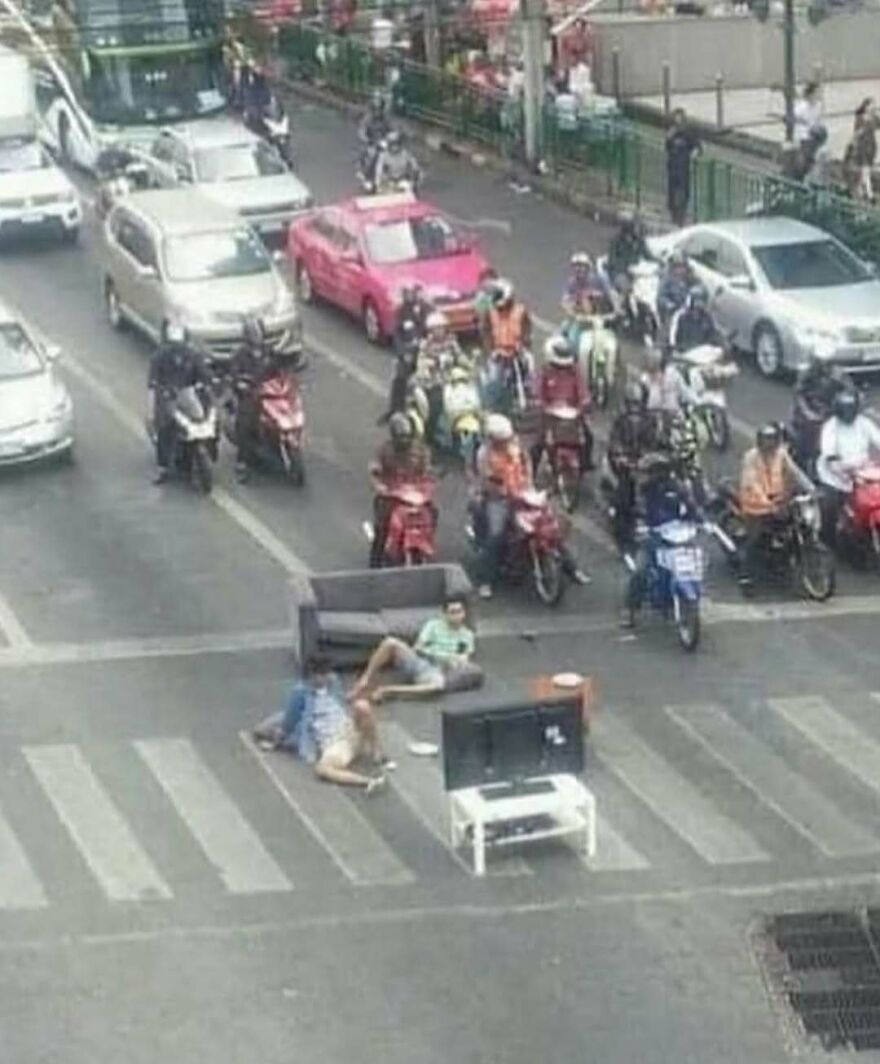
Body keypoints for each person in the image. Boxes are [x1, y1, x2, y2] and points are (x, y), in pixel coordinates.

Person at [471, 414, 588, 597]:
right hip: (499, 499)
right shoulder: (484, 454)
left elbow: (528, 468)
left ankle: (572, 569)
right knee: (496, 535)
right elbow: (486, 480)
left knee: (549, 528)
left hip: (524, 494)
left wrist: (530, 487)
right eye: (500, 440)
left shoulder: (517, 448)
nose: (504, 443)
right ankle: (486, 581)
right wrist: (501, 491)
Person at [255, 656, 389, 793]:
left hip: (349, 729)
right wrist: (275, 744)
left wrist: (358, 693)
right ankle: (367, 781)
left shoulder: (333, 682)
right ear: (312, 676)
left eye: (327, 673)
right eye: (322, 674)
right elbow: (288, 725)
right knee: (322, 769)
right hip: (334, 743)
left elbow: (343, 701)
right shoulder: (301, 694)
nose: (327, 677)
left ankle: (378, 751)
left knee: (362, 706)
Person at [621, 453, 702, 627]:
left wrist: (700, 519)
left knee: (694, 561)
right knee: (640, 571)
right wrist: (641, 526)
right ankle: (630, 610)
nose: (643, 477)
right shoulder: (642, 491)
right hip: (653, 536)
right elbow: (637, 509)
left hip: (677, 535)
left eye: (647, 473)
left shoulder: (677, 487)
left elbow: (691, 505)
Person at [351, 597, 478, 702]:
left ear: (464, 613)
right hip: (419, 661)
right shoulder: (434, 625)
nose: (457, 616)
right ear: (444, 614)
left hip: (437, 670)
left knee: (437, 686)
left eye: (460, 611)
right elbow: (418, 647)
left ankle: (388, 690)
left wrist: (450, 660)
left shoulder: (466, 635)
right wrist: (442, 656)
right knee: (390, 642)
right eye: (453, 612)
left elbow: (462, 658)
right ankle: (365, 679)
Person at [737, 422, 814, 591]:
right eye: (766, 440)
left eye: (772, 440)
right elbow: (751, 483)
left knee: (796, 525)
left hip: (778, 500)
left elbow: (795, 472)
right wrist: (766, 502)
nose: (769, 444)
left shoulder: (781, 454)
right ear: (759, 441)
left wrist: (811, 489)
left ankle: (783, 559)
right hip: (756, 505)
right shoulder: (751, 457)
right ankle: (746, 577)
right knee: (754, 540)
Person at [147, 322, 212, 484]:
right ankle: (163, 467)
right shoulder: (159, 357)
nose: (177, 348)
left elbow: (204, 375)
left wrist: (207, 384)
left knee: (207, 419)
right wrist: (159, 393)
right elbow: (153, 382)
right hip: (168, 398)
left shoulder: (193, 356)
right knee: (164, 428)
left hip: (188, 395)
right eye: (174, 344)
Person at [816, 389, 880, 544]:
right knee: (830, 506)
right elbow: (830, 457)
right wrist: (842, 471)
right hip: (835, 476)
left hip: (864, 472)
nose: (849, 414)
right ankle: (828, 538)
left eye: (851, 410)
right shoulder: (830, 428)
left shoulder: (864, 423)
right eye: (845, 411)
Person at [368, 413, 432, 567]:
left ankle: (426, 540)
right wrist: (380, 486)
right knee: (382, 527)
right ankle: (375, 563)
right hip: (392, 496)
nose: (404, 440)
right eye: (401, 437)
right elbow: (375, 470)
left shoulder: (421, 450)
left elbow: (427, 471)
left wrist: (430, 482)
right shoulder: (385, 450)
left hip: (415, 495)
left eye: (407, 437)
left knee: (433, 512)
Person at [605, 381, 660, 547]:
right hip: (625, 465)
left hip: (645, 464)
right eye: (632, 404)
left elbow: (656, 441)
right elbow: (614, 441)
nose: (635, 408)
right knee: (624, 499)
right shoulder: (620, 420)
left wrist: (653, 456)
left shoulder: (651, 420)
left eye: (637, 403)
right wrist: (620, 456)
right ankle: (621, 535)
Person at [532, 334, 594, 474]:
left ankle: (585, 465)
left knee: (588, 437)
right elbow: (538, 393)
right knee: (537, 444)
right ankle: (532, 473)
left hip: (573, 415)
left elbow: (583, 391)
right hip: (550, 416)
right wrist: (544, 406)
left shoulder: (575, 371)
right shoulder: (545, 371)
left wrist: (583, 405)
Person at [229, 315, 276, 482]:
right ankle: (242, 462)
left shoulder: (269, 351)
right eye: (253, 334)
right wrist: (242, 385)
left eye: (259, 333)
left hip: (269, 393)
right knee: (246, 424)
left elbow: (278, 370)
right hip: (250, 395)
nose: (257, 337)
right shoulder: (240, 355)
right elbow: (234, 376)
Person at [791, 353, 853, 471]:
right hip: (809, 411)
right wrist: (807, 412)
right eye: (821, 362)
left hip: (830, 410)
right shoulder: (806, 373)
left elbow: (850, 391)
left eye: (827, 363)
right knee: (809, 432)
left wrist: (850, 403)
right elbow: (798, 394)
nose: (824, 366)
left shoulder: (839, 374)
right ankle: (805, 460)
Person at [665, 109, 701, 227]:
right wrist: (669, 137)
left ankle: (681, 214)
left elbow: (697, 146)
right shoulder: (671, 132)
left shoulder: (688, 133)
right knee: (672, 191)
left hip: (683, 167)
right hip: (672, 167)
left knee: (683, 191)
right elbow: (668, 147)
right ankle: (673, 213)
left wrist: (694, 153)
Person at [641, 347, 697, 422]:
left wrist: (697, 402)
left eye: (649, 360)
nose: (646, 362)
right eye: (646, 360)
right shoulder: (645, 378)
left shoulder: (672, 374)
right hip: (653, 417)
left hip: (673, 415)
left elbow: (685, 391)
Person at [669, 284, 722, 353]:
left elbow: (713, 337)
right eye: (696, 301)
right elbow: (673, 340)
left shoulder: (707, 318)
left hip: (703, 355)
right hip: (684, 355)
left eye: (701, 301)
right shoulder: (680, 316)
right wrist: (676, 349)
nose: (699, 304)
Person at [607, 211, 652, 292]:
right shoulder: (616, 241)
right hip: (619, 273)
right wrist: (625, 267)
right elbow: (612, 260)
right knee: (627, 289)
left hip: (637, 272)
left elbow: (648, 255)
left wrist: (661, 262)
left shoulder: (639, 241)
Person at [561, 251, 615, 319]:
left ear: (588, 267)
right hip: (581, 318)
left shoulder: (598, 280)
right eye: (575, 266)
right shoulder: (571, 283)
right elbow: (565, 301)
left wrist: (593, 295)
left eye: (581, 266)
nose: (578, 269)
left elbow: (610, 296)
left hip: (603, 316)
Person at [657, 251, 693, 329]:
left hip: (688, 311)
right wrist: (669, 304)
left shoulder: (690, 278)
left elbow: (699, 288)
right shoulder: (667, 280)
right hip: (673, 312)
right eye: (678, 267)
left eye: (683, 267)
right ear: (673, 268)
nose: (681, 270)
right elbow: (661, 296)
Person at [394, 284, 432, 351]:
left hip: (422, 329)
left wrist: (418, 316)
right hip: (409, 332)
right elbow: (397, 322)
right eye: (407, 295)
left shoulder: (422, 304)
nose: (409, 297)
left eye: (411, 294)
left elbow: (430, 313)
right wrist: (403, 324)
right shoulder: (402, 308)